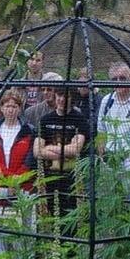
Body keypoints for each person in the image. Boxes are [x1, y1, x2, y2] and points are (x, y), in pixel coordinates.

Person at [0, 89, 35, 252]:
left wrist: (16, 181)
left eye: (14, 106)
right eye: (7, 106)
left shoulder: (29, 130)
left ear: (20, 108)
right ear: (1, 108)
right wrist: (8, 180)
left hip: (22, 188)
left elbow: (30, 160)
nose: (10, 110)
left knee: (22, 237)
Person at [34, 85, 86, 215]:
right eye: (59, 95)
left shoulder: (79, 119)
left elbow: (76, 150)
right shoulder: (45, 120)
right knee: (49, 214)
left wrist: (49, 148)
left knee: (71, 216)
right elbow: (37, 151)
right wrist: (64, 152)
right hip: (49, 178)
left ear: (72, 98)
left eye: (66, 96)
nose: (62, 99)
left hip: (72, 179)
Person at [97, 61, 130, 160]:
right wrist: (101, 158)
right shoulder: (106, 101)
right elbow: (101, 132)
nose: (118, 82)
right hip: (110, 160)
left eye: (122, 78)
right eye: (114, 79)